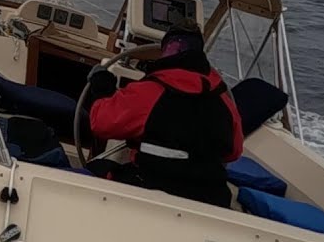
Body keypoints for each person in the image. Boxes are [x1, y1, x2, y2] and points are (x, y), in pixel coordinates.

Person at [84, 27, 243, 208]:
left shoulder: (149, 92)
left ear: (172, 48)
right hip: (210, 200)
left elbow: (101, 123)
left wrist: (103, 90)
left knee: (94, 168)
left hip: (149, 189)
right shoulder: (224, 100)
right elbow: (234, 152)